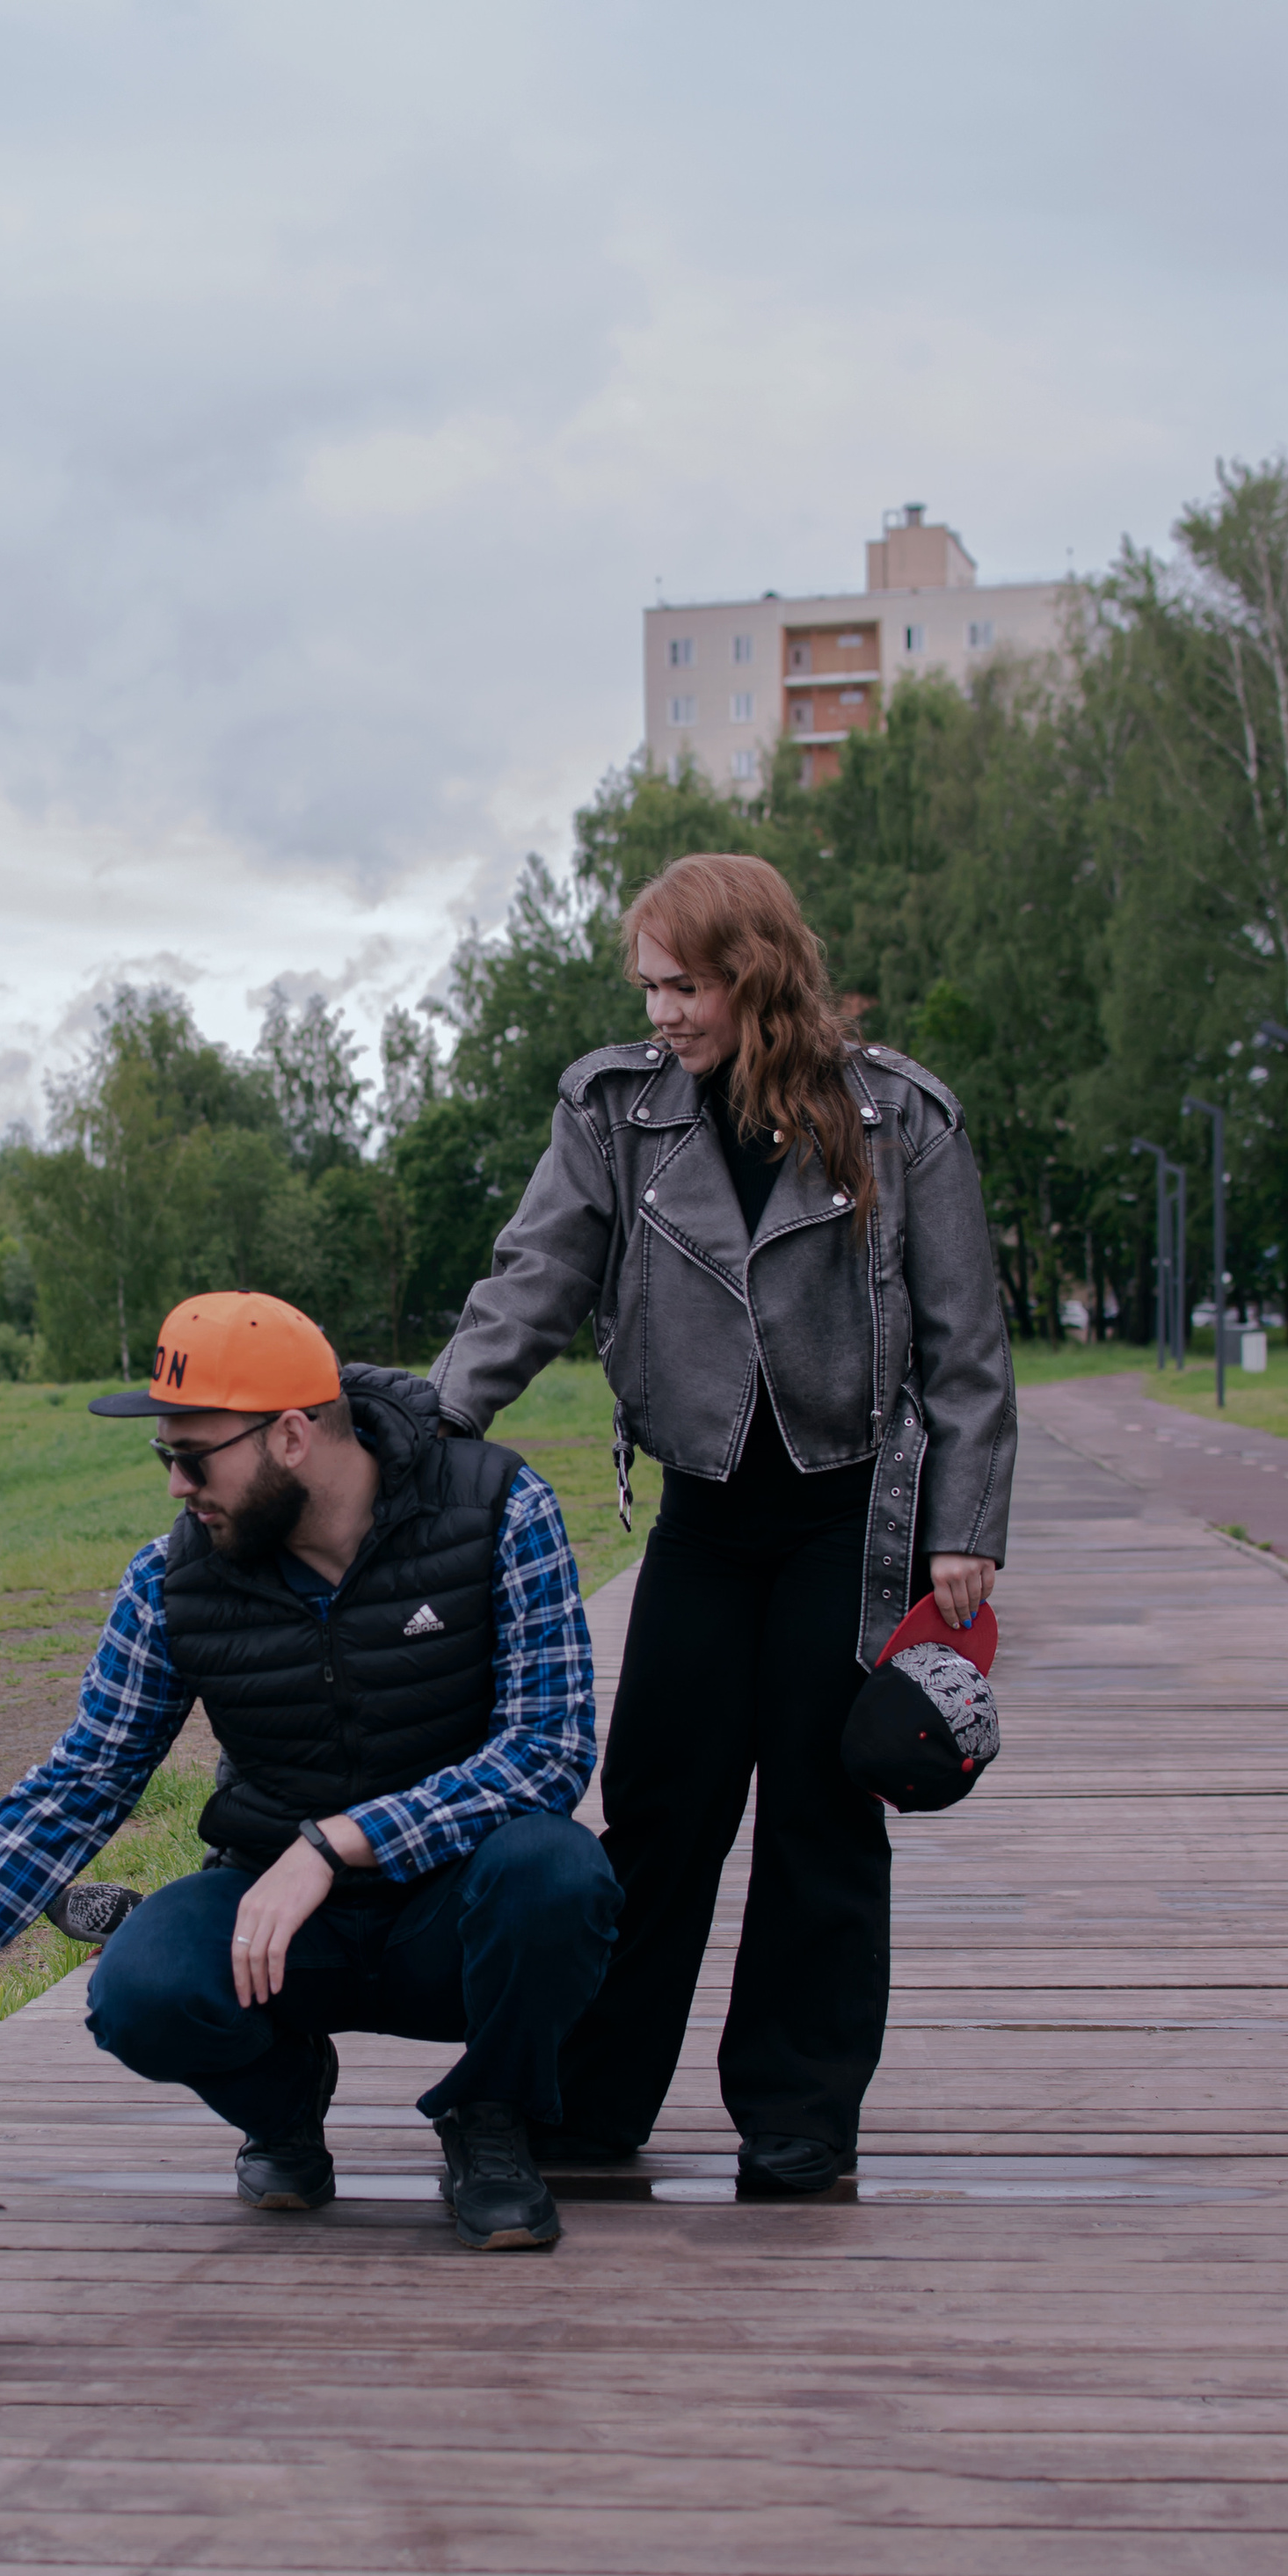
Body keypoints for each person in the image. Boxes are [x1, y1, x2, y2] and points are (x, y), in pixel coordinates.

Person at [0, 1291, 621, 2251]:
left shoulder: (501, 1508)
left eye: (191, 1457)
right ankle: (284, 2103)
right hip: (279, 1935)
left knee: (556, 1874)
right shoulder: (170, 1580)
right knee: (139, 1988)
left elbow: (544, 1752)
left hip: (456, 1920)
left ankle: (489, 2117)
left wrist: (339, 1843)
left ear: (292, 1436)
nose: (177, 1486)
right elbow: (76, 1789)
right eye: (163, 1458)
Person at [429, 850, 1015, 2196]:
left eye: (681, 986)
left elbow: (966, 1345)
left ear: (752, 973)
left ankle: (799, 2120)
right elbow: (536, 1276)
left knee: (822, 1816)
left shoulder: (900, 1119)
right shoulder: (616, 1111)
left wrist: (965, 1523)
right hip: (699, 1515)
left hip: (849, 1518)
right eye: (648, 988)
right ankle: (589, 2102)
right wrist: (439, 1424)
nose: (661, 1014)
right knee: (656, 1806)